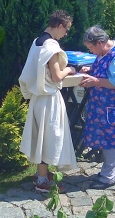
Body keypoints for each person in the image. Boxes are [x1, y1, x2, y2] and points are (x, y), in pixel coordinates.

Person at [19, 10, 77, 194]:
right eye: (66, 30)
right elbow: (57, 75)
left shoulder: (37, 41)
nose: (66, 34)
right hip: (49, 99)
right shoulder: (51, 46)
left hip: (38, 98)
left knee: (41, 137)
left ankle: (41, 174)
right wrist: (70, 70)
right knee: (49, 138)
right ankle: (42, 181)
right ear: (59, 26)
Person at [79, 25, 115, 190]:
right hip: (110, 105)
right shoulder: (106, 51)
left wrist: (95, 81)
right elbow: (106, 70)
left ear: (99, 43)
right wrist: (91, 69)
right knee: (114, 138)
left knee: (111, 139)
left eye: (91, 48)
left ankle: (107, 177)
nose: (91, 52)